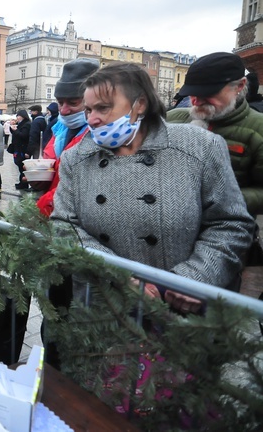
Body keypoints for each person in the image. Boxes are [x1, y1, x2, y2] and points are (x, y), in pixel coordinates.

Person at [51, 63, 255, 314]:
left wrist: (192, 279)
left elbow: (230, 224)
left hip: (181, 309)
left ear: (140, 104)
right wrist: (117, 272)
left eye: (103, 108)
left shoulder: (200, 147)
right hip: (103, 307)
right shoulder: (76, 158)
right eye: (88, 109)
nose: (92, 119)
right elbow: (65, 226)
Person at [167, 52, 263, 217]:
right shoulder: (172, 118)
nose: (196, 101)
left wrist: (220, 201)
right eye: (192, 93)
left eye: (208, 93)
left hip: (227, 229)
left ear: (239, 86)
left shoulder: (258, 129)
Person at [36, 58, 100, 216]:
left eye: (73, 102)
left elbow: (82, 190)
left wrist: (39, 209)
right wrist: (39, 179)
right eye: (60, 102)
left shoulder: (100, 135)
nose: (63, 110)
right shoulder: (58, 128)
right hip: (54, 214)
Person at [7, 109, 31, 190]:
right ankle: (22, 182)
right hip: (18, 148)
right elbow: (15, 133)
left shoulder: (27, 124)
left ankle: (24, 183)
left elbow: (23, 135)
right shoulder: (21, 124)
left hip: (22, 149)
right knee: (20, 166)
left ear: (22, 116)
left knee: (22, 166)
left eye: (18, 116)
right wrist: (12, 128)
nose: (17, 118)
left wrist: (15, 130)